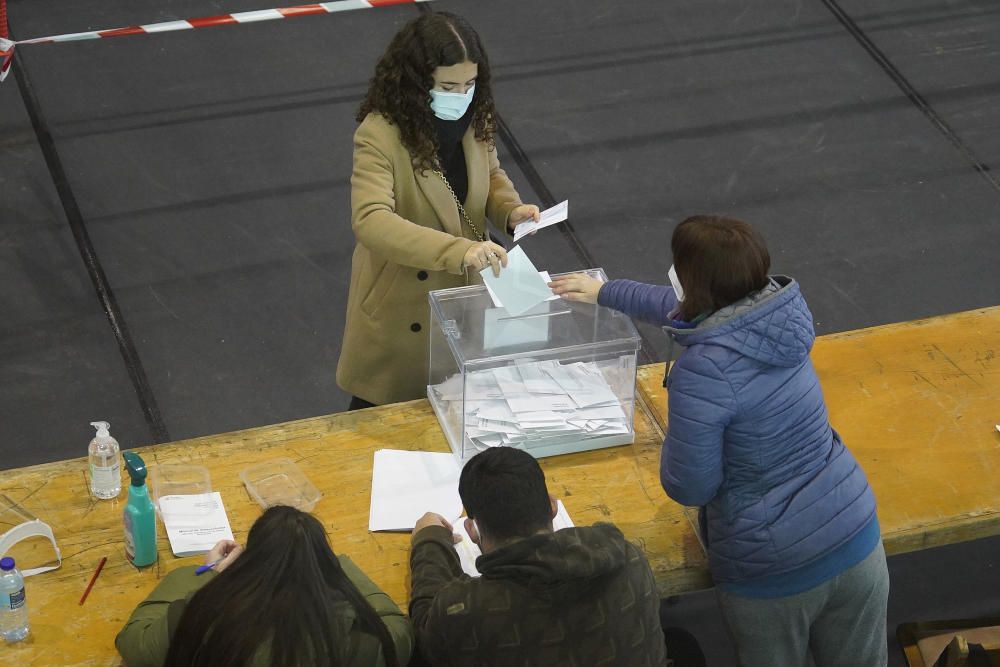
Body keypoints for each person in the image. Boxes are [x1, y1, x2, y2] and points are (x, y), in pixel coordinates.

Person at [549, 215, 890, 667]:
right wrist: (607, 293)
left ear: (693, 281)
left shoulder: (704, 373)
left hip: (773, 567)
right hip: (857, 534)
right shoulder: (779, 318)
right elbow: (678, 306)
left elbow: (691, 486)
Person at [337, 11, 540, 410]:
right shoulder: (379, 134)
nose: (461, 95)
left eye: (469, 83)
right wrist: (459, 250)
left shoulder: (474, 114)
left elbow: (490, 175)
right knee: (384, 420)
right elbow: (372, 220)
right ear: (417, 81)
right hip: (401, 302)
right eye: (448, 86)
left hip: (463, 295)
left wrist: (510, 211)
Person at [409, 446, 668, 666]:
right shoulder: (629, 558)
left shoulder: (466, 611)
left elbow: (425, 630)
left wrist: (429, 539)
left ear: (472, 529)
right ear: (552, 505)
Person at [115, 505, 413, 667]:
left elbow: (133, 641)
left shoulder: (205, 621)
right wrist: (333, 565)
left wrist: (209, 574)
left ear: (250, 563)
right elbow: (397, 632)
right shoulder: (358, 643)